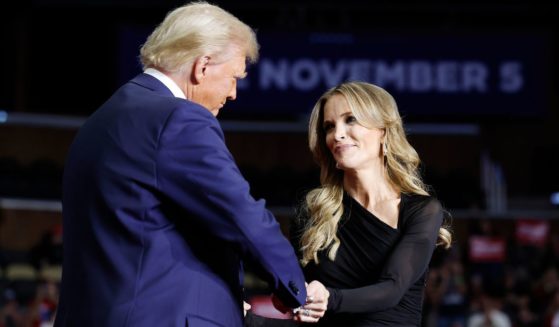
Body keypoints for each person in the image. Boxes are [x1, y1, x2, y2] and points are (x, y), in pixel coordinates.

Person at [54, 2, 307, 326]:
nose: (233, 94)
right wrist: (296, 289)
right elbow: (241, 215)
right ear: (203, 66)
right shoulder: (178, 118)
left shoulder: (101, 120)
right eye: (233, 78)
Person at [290, 81, 452, 326]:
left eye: (350, 120)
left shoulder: (421, 210)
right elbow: (303, 311)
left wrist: (329, 298)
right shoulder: (312, 214)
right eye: (329, 126)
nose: (337, 134)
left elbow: (392, 288)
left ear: (383, 132)